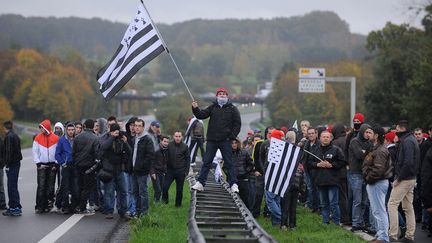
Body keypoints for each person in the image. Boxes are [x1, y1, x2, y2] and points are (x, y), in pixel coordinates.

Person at [191, 87, 241, 193]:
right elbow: (201, 114)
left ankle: (233, 184)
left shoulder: (232, 109)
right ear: (217, 96)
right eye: (220, 93)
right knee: (207, 161)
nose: (222, 95)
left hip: (225, 140)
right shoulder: (213, 107)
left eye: (224, 94)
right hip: (212, 140)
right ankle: (200, 183)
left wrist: (231, 136)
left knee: (229, 162)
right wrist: (195, 108)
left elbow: (237, 124)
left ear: (227, 96)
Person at [388, 120, 420, 243]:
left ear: (401, 129)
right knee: (407, 207)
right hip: (411, 178)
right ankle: (409, 236)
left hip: (405, 179)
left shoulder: (407, 141)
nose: (395, 131)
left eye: (396, 129)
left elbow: (407, 163)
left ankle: (392, 236)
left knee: (392, 204)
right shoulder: (411, 139)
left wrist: (398, 179)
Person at [362, 125, 393, 243]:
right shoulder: (375, 148)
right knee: (376, 211)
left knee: (380, 211)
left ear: (376, 136)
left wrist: (368, 178)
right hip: (375, 182)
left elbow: (378, 170)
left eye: (370, 133)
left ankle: (383, 238)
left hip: (377, 183)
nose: (368, 134)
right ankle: (380, 235)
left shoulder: (380, 150)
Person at [310, 130, 346, 225]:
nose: (325, 138)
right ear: (320, 138)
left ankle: (336, 222)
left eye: (327, 137)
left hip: (332, 180)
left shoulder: (336, 149)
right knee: (323, 204)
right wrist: (318, 164)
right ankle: (325, 222)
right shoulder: (315, 149)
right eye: (323, 137)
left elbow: (342, 162)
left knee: (334, 203)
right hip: (320, 180)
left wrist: (332, 165)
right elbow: (310, 162)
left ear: (331, 138)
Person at [100, 123, 131, 220]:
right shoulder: (106, 138)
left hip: (119, 169)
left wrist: (125, 142)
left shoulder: (121, 138)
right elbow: (103, 147)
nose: (116, 133)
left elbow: (129, 152)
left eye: (117, 131)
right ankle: (109, 211)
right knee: (109, 192)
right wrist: (112, 137)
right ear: (111, 131)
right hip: (108, 169)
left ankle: (124, 211)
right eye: (114, 131)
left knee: (123, 191)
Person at [348, 123, 373, 232]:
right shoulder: (354, 141)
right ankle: (355, 223)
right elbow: (359, 155)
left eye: (369, 132)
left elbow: (369, 155)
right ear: (362, 131)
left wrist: (366, 153)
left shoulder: (369, 142)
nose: (367, 134)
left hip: (365, 174)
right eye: (366, 132)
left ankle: (360, 222)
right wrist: (367, 153)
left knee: (364, 201)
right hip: (356, 174)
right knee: (357, 200)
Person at [72, 119, 100, 215]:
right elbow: (97, 154)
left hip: (78, 165)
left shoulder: (77, 137)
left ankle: (78, 205)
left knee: (79, 186)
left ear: (84, 126)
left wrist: (76, 162)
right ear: (92, 127)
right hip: (89, 167)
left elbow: (73, 152)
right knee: (87, 187)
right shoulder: (95, 138)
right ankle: (82, 207)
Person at [33, 119, 59, 213]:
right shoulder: (37, 138)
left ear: (46, 128)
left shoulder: (56, 138)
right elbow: (35, 152)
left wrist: (56, 163)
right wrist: (38, 163)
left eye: (42, 127)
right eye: (40, 127)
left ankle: (49, 204)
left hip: (52, 165)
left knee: (50, 187)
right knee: (41, 186)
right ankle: (39, 206)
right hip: (42, 165)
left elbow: (58, 152)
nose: (40, 129)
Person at [131, 119, 155, 215]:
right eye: (135, 125)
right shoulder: (134, 139)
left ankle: (144, 213)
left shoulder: (147, 139)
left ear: (143, 127)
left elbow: (150, 156)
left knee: (143, 193)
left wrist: (142, 167)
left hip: (142, 171)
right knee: (135, 192)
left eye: (139, 126)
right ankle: (137, 212)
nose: (136, 127)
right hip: (133, 170)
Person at [263, 129, 285, 226]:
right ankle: (276, 223)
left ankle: (282, 217)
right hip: (280, 177)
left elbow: (268, 163)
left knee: (270, 199)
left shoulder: (274, 147)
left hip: (272, 177)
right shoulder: (283, 147)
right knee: (276, 199)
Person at [54, 122, 78, 214]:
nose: (71, 131)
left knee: (75, 187)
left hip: (75, 166)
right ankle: (65, 207)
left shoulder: (77, 139)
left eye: (72, 130)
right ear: (66, 130)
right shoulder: (62, 140)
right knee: (65, 187)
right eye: (69, 130)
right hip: (66, 165)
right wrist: (62, 163)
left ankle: (74, 206)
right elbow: (57, 154)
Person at [163, 132, 190, 207]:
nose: (177, 138)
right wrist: (164, 167)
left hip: (180, 171)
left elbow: (188, 159)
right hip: (170, 170)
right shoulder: (169, 145)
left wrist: (186, 171)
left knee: (179, 190)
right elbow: (165, 157)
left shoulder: (185, 146)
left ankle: (178, 205)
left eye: (179, 136)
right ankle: (164, 203)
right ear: (173, 137)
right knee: (165, 187)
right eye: (176, 136)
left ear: (182, 137)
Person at [2, 121, 23, 216]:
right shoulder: (15, 135)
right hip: (16, 163)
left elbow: (9, 151)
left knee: (11, 186)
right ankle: (15, 206)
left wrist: (7, 164)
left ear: (4, 128)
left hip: (12, 164)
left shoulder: (9, 137)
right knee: (13, 186)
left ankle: (14, 208)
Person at [302, 127, 321, 213]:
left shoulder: (319, 144)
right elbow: (304, 156)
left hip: (317, 171)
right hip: (307, 170)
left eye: (312, 133)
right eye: (309, 134)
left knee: (317, 189)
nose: (311, 135)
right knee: (310, 188)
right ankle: (312, 206)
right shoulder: (306, 143)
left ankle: (318, 207)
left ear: (316, 134)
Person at [281, 163, 304, 231]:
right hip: (287, 189)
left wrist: (302, 190)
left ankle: (292, 225)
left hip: (296, 189)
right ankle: (283, 224)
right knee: (286, 207)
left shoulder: (300, 166)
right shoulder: (286, 164)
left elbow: (302, 179)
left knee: (293, 208)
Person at [232, 138, 254, 209]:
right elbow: (225, 167)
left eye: (235, 143)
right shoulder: (228, 153)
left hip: (243, 180)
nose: (234, 144)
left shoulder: (244, 152)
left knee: (245, 200)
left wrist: (245, 172)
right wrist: (230, 174)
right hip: (232, 180)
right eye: (232, 143)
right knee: (233, 200)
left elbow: (251, 164)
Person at [150, 135, 169, 204]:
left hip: (162, 172)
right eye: (164, 141)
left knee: (161, 189)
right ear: (161, 141)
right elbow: (151, 162)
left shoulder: (167, 150)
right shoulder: (156, 150)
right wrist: (152, 173)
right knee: (157, 189)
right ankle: (156, 203)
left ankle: (158, 203)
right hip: (155, 172)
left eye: (167, 142)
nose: (166, 143)